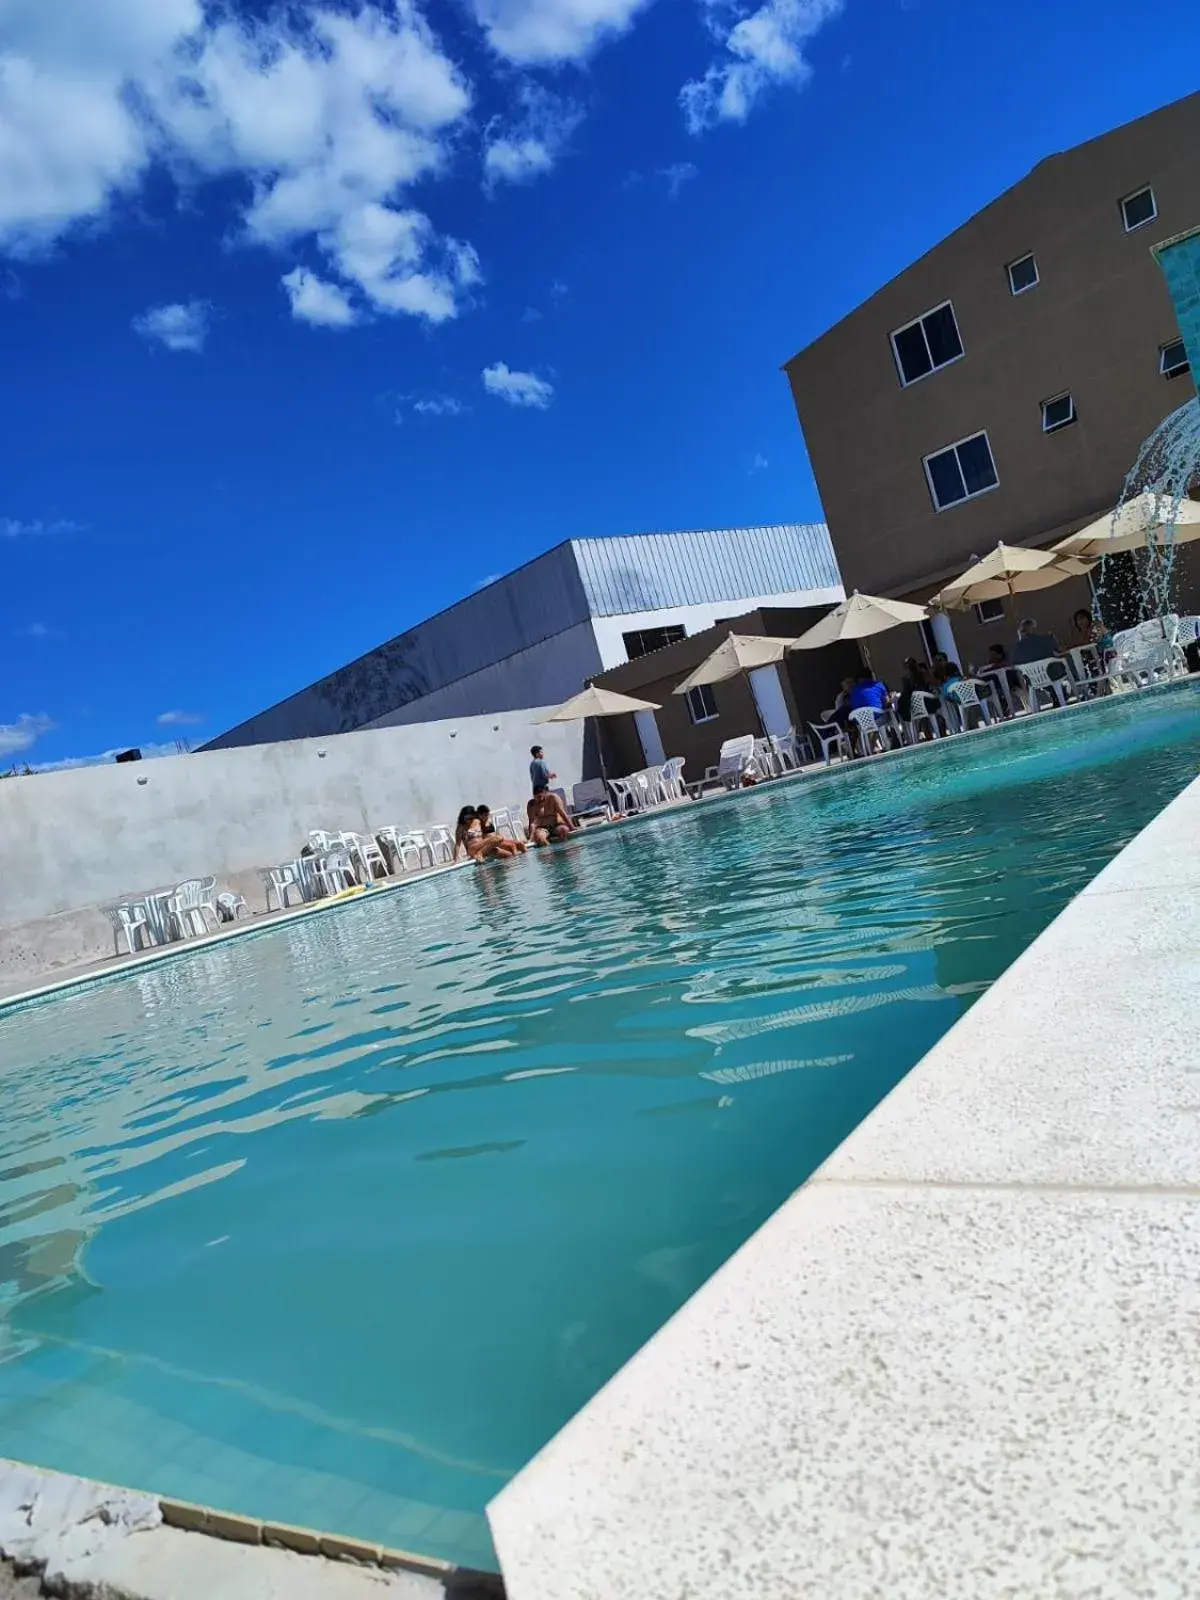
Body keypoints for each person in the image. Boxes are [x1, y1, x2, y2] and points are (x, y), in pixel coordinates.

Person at [454, 804, 525, 863]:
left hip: (485, 847)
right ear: (462, 817)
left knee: (508, 855)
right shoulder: (461, 827)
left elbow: (487, 829)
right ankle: (480, 853)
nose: (468, 820)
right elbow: (457, 844)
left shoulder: (477, 821)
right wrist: (455, 859)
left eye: (470, 818)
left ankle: (482, 854)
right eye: (466, 818)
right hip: (473, 849)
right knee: (499, 838)